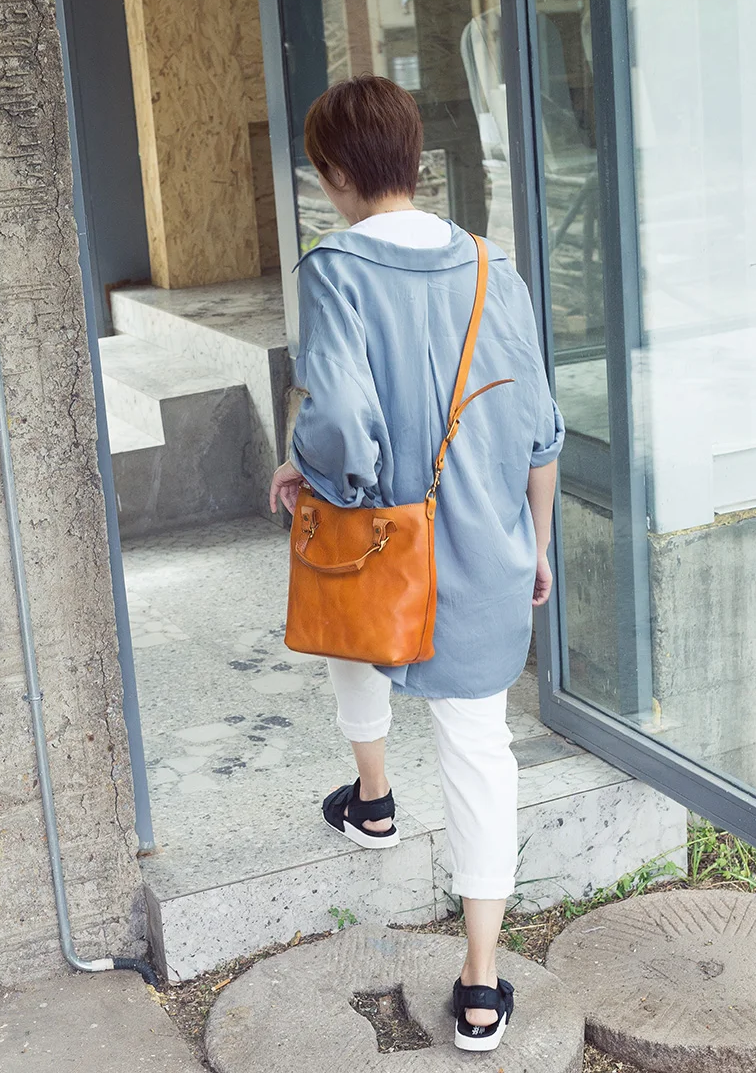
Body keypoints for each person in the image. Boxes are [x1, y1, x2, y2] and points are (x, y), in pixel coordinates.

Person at [269, 75, 563, 1054]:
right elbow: (540, 429)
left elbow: (341, 425)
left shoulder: (334, 269)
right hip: (486, 549)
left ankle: (375, 799)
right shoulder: (494, 267)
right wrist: (539, 545)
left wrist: (311, 474)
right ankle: (481, 986)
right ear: (415, 158)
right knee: (480, 753)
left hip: (383, 535)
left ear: (337, 174)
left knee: (348, 608)